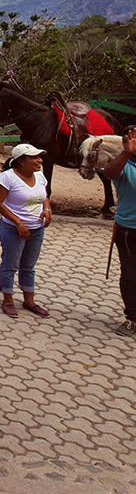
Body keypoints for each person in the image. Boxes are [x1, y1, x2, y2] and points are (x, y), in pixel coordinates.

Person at [0, 143, 52, 318]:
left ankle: (29, 300)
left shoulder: (40, 176)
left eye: (40, 157)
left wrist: (47, 210)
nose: (39, 160)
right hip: (12, 229)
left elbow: (45, 196)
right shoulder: (6, 178)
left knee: (28, 266)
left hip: (36, 229)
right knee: (10, 264)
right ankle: (8, 299)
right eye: (35, 157)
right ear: (21, 161)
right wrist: (18, 223)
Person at [100, 127, 136, 337]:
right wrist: (126, 153)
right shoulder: (125, 166)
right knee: (131, 275)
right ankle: (132, 318)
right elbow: (109, 173)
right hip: (128, 232)